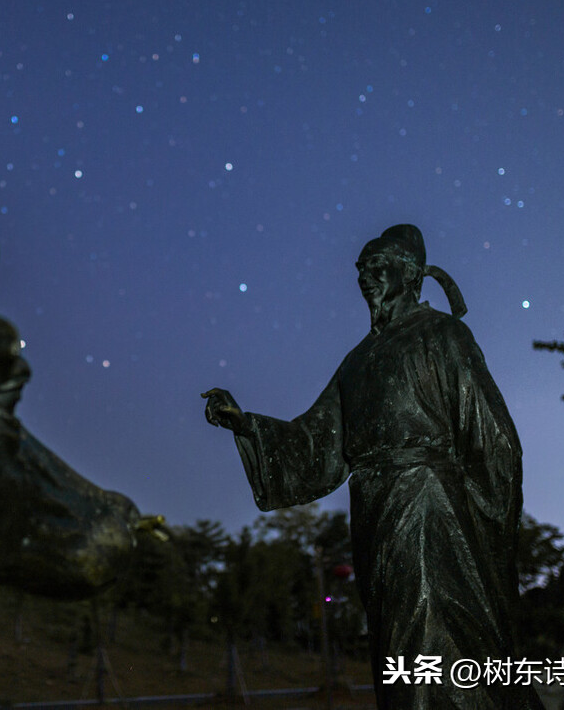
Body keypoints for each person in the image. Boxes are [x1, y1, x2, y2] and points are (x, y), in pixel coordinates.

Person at [203, 224, 544, 709]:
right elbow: (318, 442)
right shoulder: (358, 360)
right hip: (372, 509)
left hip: (431, 503)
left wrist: (487, 527)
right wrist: (246, 425)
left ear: (409, 275)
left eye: (378, 266)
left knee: (431, 623)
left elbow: (492, 438)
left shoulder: (443, 334)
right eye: (361, 268)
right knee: (392, 630)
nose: (366, 277)